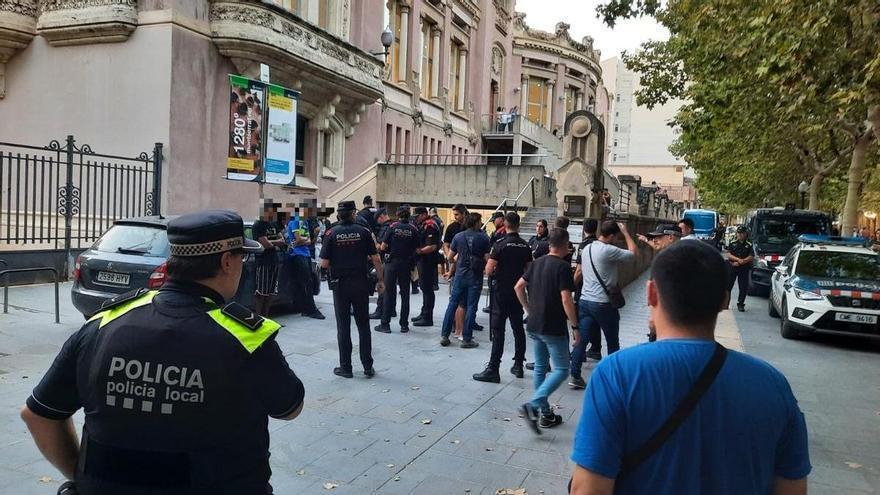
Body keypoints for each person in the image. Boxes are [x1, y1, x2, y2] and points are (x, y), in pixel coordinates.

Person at [20, 209, 305, 494]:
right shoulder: (247, 339)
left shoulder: (102, 325)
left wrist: (81, 474)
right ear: (227, 261)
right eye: (241, 257)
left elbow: (38, 415)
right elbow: (289, 409)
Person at [569, 241, 810, 495]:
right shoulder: (772, 384)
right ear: (724, 301)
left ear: (651, 293)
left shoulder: (617, 374)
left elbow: (588, 491)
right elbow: (792, 489)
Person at [515, 228, 580, 433]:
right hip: (552, 326)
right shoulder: (562, 267)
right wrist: (575, 326)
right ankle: (534, 406)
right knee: (562, 370)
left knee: (541, 368)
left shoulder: (536, 263)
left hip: (534, 324)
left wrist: (528, 309)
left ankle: (546, 415)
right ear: (565, 244)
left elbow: (518, 287)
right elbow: (566, 299)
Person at [321, 201, 385, 378]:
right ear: (353, 214)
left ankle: (346, 367)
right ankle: (367, 366)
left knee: (343, 327)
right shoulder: (364, 232)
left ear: (339, 215)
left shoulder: (331, 232)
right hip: (361, 283)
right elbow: (376, 259)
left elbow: (324, 263)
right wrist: (380, 280)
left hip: (340, 285)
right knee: (363, 325)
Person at [473, 212, 533, 383]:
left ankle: (493, 368)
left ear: (505, 225)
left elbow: (489, 269)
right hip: (517, 292)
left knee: (498, 331)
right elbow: (529, 269)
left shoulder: (499, 244)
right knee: (518, 329)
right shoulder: (525, 246)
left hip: (501, 292)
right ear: (518, 225)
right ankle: (519, 365)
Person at [573, 221, 637, 375]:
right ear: (612, 236)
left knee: (581, 341)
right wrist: (627, 232)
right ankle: (613, 374)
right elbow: (634, 254)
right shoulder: (608, 250)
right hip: (603, 304)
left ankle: (574, 375)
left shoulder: (587, 248)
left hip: (585, 301)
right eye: (616, 237)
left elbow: (579, 271)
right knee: (612, 342)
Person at [440, 212, 490, 348]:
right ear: (476, 222)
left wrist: (459, 259)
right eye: (480, 221)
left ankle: (444, 335)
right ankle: (466, 339)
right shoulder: (484, 238)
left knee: (453, 304)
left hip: (460, 276)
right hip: (475, 276)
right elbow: (487, 259)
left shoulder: (458, 236)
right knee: (471, 306)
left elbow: (450, 257)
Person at [375, 206, 420, 334]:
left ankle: (385, 324)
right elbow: (417, 249)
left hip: (392, 264)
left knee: (389, 293)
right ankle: (404, 325)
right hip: (406, 264)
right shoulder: (413, 229)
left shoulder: (392, 227)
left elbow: (383, 247)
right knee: (405, 295)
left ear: (398, 214)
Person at [285, 205, 325, 320]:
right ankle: (311, 309)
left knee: (307, 282)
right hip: (298, 255)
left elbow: (307, 240)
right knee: (306, 283)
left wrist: (303, 241)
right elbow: (299, 239)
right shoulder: (295, 222)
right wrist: (303, 241)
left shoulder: (303, 223)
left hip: (305, 253)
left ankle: (305, 308)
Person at [439, 203, 470, 338]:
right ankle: (455, 327)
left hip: (465, 266)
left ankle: (463, 326)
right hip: (455, 264)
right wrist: (449, 256)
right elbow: (445, 244)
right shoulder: (452, 228)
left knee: (464, 301)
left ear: (464, 213)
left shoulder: (472, 226)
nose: (455, 217)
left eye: (457, 214)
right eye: (454, 214)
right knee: (456, 300)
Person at [253, 201, 286, 317]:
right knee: (261, 291)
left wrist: (271, 242)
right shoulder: (259, 225)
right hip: (263, 261)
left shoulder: (273, 224)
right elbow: (264, 245)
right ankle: (258, 317)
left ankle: (266, 316)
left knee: (271, 291)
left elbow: (282, 241)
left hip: (274, 260)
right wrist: (274, 243)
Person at [412, 206, 442, 327]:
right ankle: (424, 313)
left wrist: (418, 251)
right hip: (423, 260)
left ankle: (427, 317)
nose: (416, 219)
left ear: (424, 214)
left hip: (427, 260)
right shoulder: (424, 224)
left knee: (427, 289)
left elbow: (432, 246)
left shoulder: (429, 225)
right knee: (424, 288)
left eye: (418, 216)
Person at [369, 208, 393, 320]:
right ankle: (391, 309)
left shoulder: (385, 227)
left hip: (385, 260)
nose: (377, 222)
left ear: (381, 217)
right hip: (394, 261)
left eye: (377, 219)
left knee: (381, 285)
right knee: (390, 287)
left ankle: (380, 310)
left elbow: (380, 247)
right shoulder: (394, 225)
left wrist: (372, 240)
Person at [726, 226, 754, 312]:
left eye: (742, 233)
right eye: (738, 233)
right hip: (732, 266)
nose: (740, 235)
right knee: (728, 286)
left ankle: (741, 304)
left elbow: (751, 256)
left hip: (743, 268)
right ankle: (726, 303)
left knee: (743, 287)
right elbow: (728, 254)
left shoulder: (749, 244)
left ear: (745, 234)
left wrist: (742, 261)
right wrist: (738, 260)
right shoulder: (733, 242)